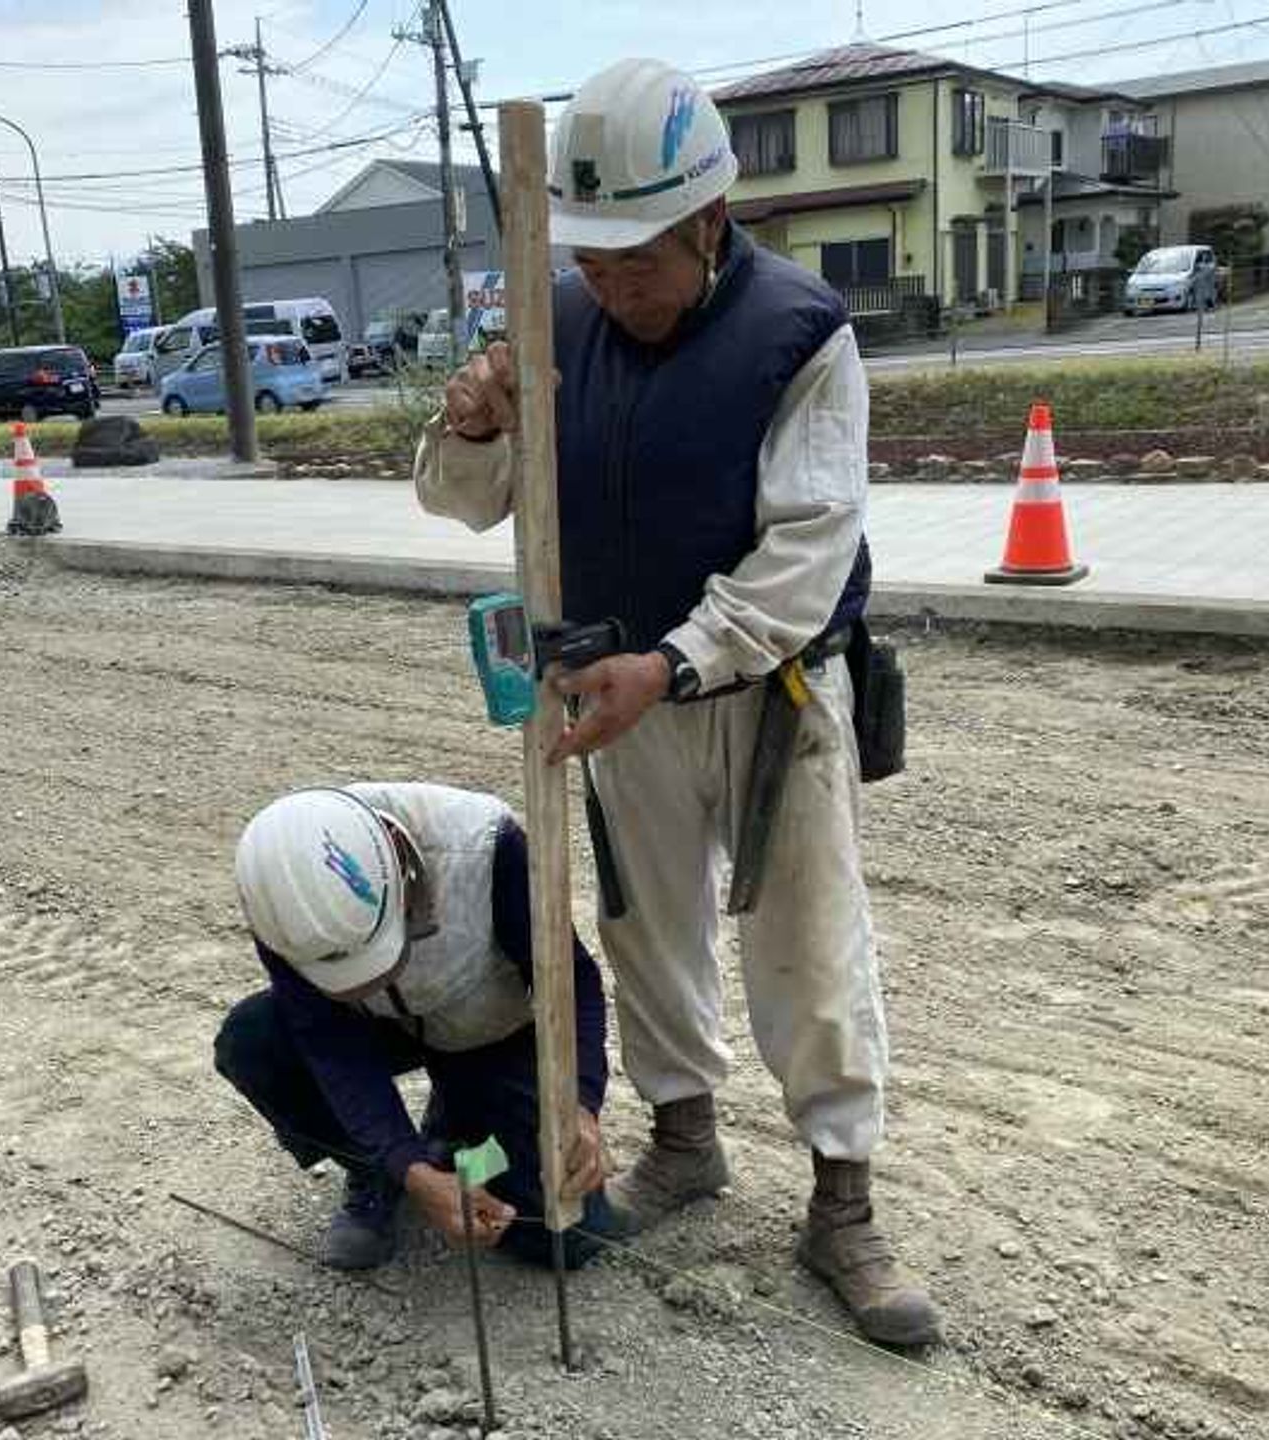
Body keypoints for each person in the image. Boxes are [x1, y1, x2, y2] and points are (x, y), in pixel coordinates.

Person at [412, 59, 939, 1344]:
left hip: (768, 695)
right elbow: (460, 501)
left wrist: (681, 660)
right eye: (589, 259)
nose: (612, 285)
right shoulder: (555, 327)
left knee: (807, 944)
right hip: (609, 693)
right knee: (647, 931)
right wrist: (476, 423)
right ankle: (686, 1137)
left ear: (710, 221)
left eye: (636, 259)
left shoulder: (804, 338)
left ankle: (843, 1202)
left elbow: (808, 553)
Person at [213, 782, 614, 1271]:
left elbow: (573, 985)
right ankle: (378, 1171)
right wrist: (408, 1166)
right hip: (379, 1028)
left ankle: (461, 1134)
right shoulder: (279, 903)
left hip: (490, 1029)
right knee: (251, 1041)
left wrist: (581, 1102)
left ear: (398, 864)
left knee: (566, 1233)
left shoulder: (484, 848)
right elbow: (329, 1043)